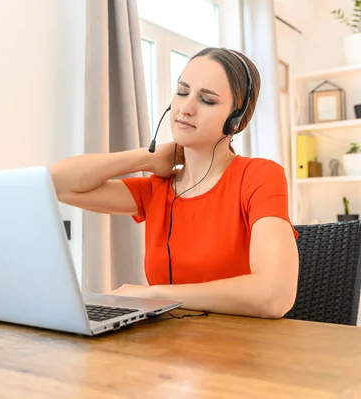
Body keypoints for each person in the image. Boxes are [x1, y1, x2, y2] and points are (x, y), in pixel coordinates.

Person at [49, 47, 299, 319]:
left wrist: (155, 294)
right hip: (166, 350)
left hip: (240, 352)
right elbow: (55, 184)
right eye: (182, 92)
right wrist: (146, 157)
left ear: (236, 121)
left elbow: (275, 295)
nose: (186, 108)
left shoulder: (259, 176)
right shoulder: (156, 189)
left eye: (207, 100)